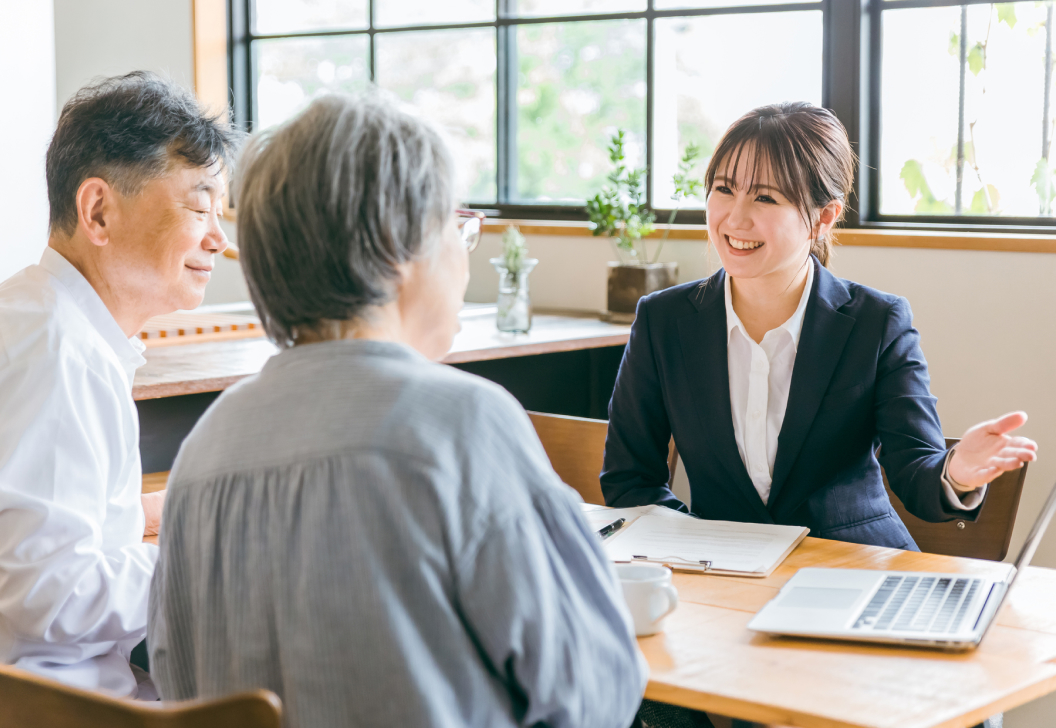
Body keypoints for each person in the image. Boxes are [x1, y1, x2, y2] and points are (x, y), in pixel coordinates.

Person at [147, 92, 647, 728]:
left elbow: (176, 679)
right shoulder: (462, 423)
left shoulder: (205, 450)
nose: (463, 257)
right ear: (396, 244)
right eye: (456, 228)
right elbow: (594, 688)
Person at [601, 102, 1037, 549]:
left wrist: (956, 472)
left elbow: (914, 470)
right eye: (724, 189)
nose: (735, 217)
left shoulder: (878, 322)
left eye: (765, 197)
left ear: (824, 217)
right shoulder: (663, 320)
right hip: (722, 575)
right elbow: (630, 480)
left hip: (852, 569)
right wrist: (701, 543)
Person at [0, 71, 237, 698]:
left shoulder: (36, 315)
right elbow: (49, 595)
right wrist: (208, 554)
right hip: (61, 706)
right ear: (98, 210)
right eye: (200, 205)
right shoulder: (59, 351)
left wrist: (148, 517)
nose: (219, 237)